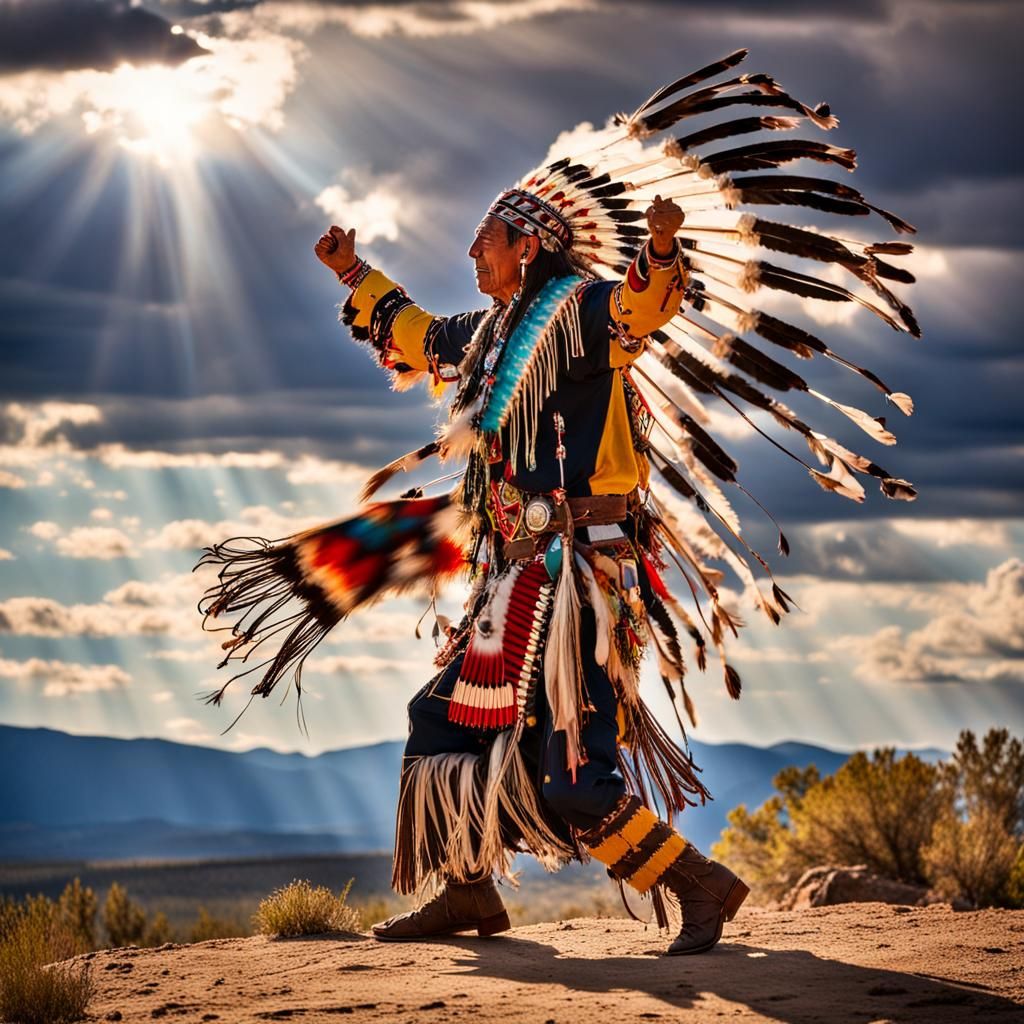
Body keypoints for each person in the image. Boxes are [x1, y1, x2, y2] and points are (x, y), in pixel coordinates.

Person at [197, 49, 917, 959]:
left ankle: (699, 885)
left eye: (484, 239)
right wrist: (354, 274)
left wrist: (659, 255)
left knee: (575, 772)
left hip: (582, 578)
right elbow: (414, 334)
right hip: (515, 580)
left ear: (527, 244)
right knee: (440, 720)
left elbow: (639, 313)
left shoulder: (577, 313)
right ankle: (469, 892)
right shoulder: (491, 336)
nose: (470, 252)